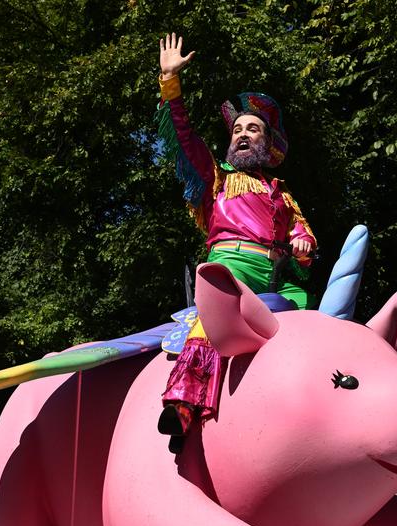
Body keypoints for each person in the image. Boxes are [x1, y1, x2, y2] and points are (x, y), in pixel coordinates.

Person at [153, 33, 319, 443]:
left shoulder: (283, 195)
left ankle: (308, 411)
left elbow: (303, 237)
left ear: (268, 143)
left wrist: (303, 248)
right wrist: (171, 82)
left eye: (253, 129)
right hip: (229, 267)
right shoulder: (217, 178)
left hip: (276, 279)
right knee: (210, 322)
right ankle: (183, 403)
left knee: (311, 327)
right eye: (238, 129)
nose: (243, 134)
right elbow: (184, 138)